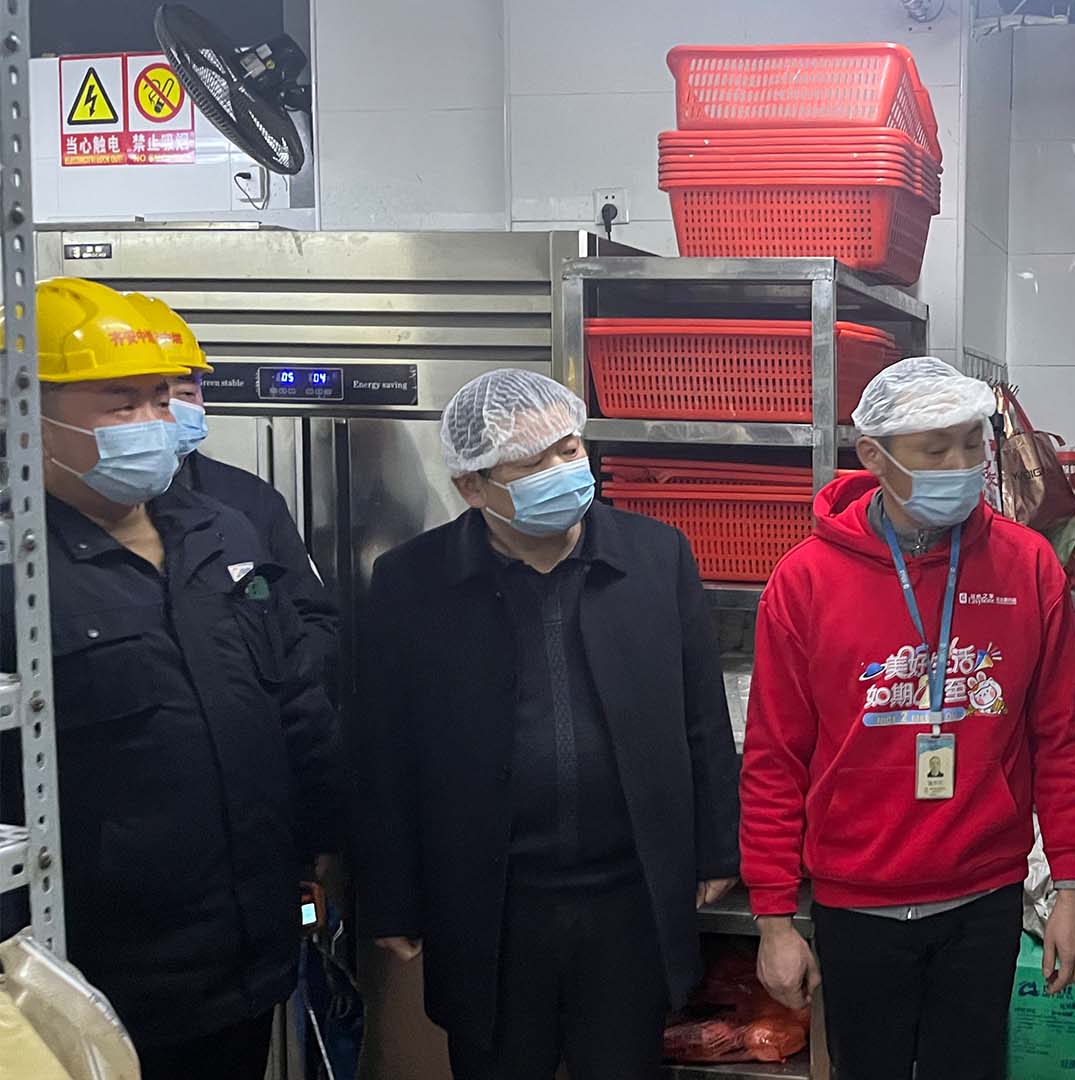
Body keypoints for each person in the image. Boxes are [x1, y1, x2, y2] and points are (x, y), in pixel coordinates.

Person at [355, 369, 739, 1080]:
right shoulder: (413, 582)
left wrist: (718, 848)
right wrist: (390, 897)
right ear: (472, 487)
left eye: (569, 449)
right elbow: (384, 751)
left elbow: (701, 715)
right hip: (487, 903)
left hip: (627, 895)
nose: (563, 472)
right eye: (532, 464)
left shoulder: (655, 556)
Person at [740, 356, 1075, 1080]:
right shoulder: (806, 580)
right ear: (874, 456)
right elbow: (774, 759)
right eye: (936, 451)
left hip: (984, 895)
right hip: (856, 899)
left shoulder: (1028, 567)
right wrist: (774, 919)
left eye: (971, 444)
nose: (962, 466)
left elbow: (1061, 738)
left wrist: (1072, 887)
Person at [25, 276, 342, 1079]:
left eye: (162, 399)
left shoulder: (223, 531)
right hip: (98, 973)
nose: (153, 422)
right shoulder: (17, 566)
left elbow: (296, 704)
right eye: (121, 403)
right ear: (31, 415)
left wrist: (323, 844)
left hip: (245, 949)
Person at [125, 291, 342, 693]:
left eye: (186, 393)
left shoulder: (248, 502)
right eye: (153, 396)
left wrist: (272, 697)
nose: (170, 411)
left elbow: (315, 622)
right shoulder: (51, 522)